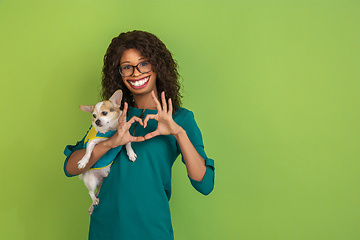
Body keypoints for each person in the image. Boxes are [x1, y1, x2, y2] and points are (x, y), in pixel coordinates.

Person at [63, 30, 215, 240]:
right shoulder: (109, 117)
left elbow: (205, 184)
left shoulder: (180, 119)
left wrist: (178, 133)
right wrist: (111, 142)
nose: (136, 73)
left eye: (143, 63)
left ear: (157, 66)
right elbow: (70, 168)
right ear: (119, 74)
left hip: (151, 231)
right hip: (105, 230)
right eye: (127, 67)